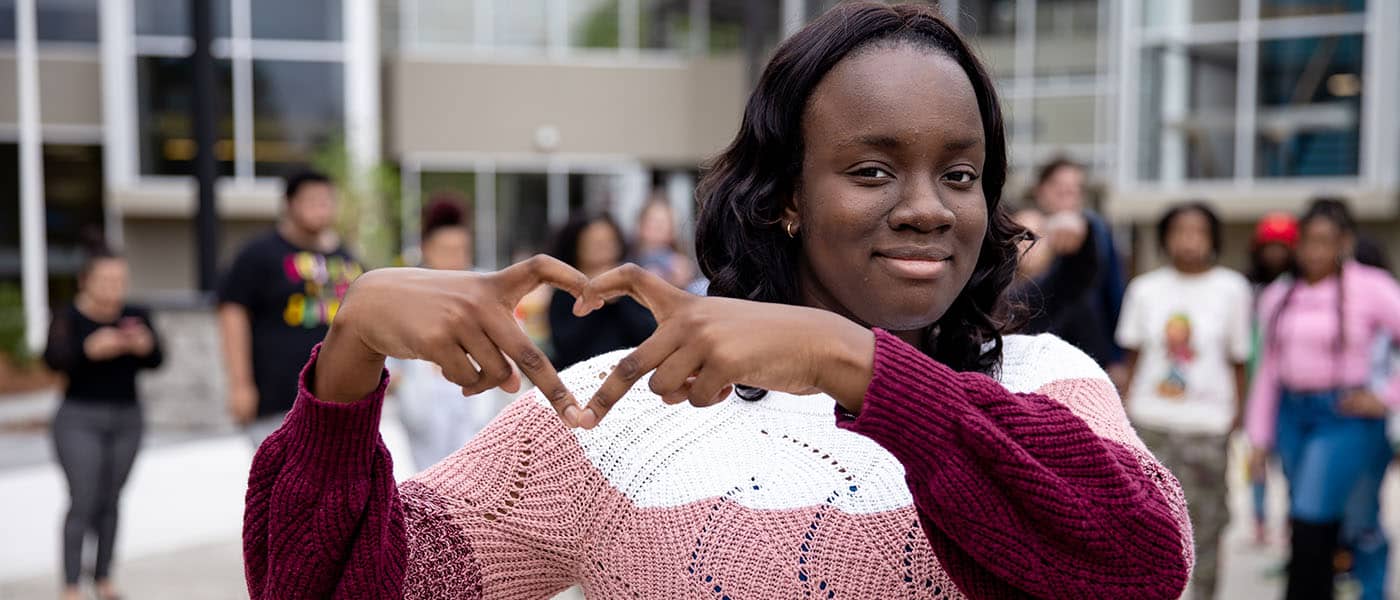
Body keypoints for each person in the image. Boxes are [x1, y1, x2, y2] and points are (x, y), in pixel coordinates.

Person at [242, 4, 1192, 598]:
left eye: (961, 173)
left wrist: (851, 363)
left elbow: (1142, 567)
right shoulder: (623, 411)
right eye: (871, 169)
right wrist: (349, 359)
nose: (924, 208)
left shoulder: (1043, 386)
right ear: (782, 195)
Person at [1245, 199, 1400, 600]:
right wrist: (1258, 438)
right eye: (1307, 242)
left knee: (1321, 512)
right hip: (1292, 414)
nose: (1314, 252)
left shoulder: (1372, 287)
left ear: (1344, 242)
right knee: (1310, 510)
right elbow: (1268, 371)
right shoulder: (1280, 295)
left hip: (1345, 415)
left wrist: (1386, 395)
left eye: (1325, 241)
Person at [1115, 202, 1252, 600]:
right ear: (1164, 238)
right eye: (1179, 231)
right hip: (1151, 423)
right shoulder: (1145, 289)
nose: (1189, 240)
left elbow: (1239, 360)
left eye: (1198, 231)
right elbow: (1133, 358)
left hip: (1207, 426)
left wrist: (1237, 420)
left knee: (1207, 525)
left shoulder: (1232, 289)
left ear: (1213, 239)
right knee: (1144, 525)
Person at [43, 250, 164, 600]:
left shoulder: (135, 315)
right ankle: (70, 584)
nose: (114, 288)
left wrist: (145, 345)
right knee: (83, 498)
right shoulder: (69, 316)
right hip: (79, 418)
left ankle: (103, 577)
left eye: (120, 281)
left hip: (127, 417)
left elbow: (158, 359)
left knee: (111, 498)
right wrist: (88, 350)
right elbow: (53, 359)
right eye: (106, 280)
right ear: (86, 281)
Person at [218, 169, 364, 444]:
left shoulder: (347, 260)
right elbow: (232, 313)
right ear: (289, 204)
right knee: (284, 484)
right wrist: (240, 385)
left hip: (336, 404)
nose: (321, 207)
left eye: (327, 200)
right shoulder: (259, 254)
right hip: (277, 400)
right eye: (312, 200)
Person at [390, 198, 516, 471]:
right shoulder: (404, 292)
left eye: (461, 249)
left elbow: (512, 341)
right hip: (422, 399)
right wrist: (398, 382)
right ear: (426, 249)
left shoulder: (485, 289)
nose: (455, 257)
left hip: (476, 394)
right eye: (446, 249)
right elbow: (387, 350)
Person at [1030, 157, 1129, 387]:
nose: (1069, 196)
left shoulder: (1096, 231)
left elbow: (1113, 293)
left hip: (1089, 347)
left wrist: (1117, 357)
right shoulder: (1025, 227)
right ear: (1040, 191)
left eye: (1075, 190)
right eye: (1061, 189)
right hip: (1037, 347)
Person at [546, 213, 656, 370]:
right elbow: (564, 345)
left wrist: (621, 298)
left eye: (608, 242)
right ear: (577, 247)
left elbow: (650, 335)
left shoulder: (635, 286)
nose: (603, 249)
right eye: (594, 243)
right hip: (581, 378)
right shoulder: (564, 293)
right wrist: (593, 299)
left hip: (631, 375)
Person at [632, 196, 698, 289]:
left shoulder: (678, 261)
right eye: (654, 221)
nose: (658, 227)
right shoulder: (629, 258)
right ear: (640, 225)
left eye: (664, 222)